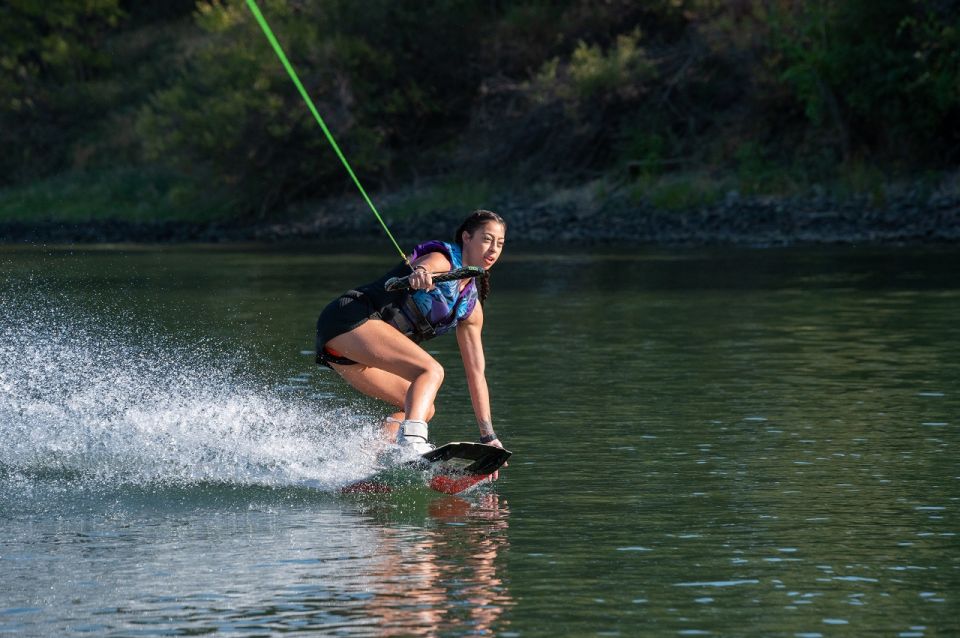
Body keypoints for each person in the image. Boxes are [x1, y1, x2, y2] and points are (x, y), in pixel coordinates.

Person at [316, 209, 507, 459]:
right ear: (467, 238)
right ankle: (413, 443)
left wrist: (488, 436)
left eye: (500, 243)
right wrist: (420, 273)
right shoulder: (444, 259)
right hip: (349, 319)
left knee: (422, 406)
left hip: (351, 354)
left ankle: (369, 458)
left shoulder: (471, 308)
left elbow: (476, 374)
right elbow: (426, 265)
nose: (493, 249)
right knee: (430, 371)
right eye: (487, 239)